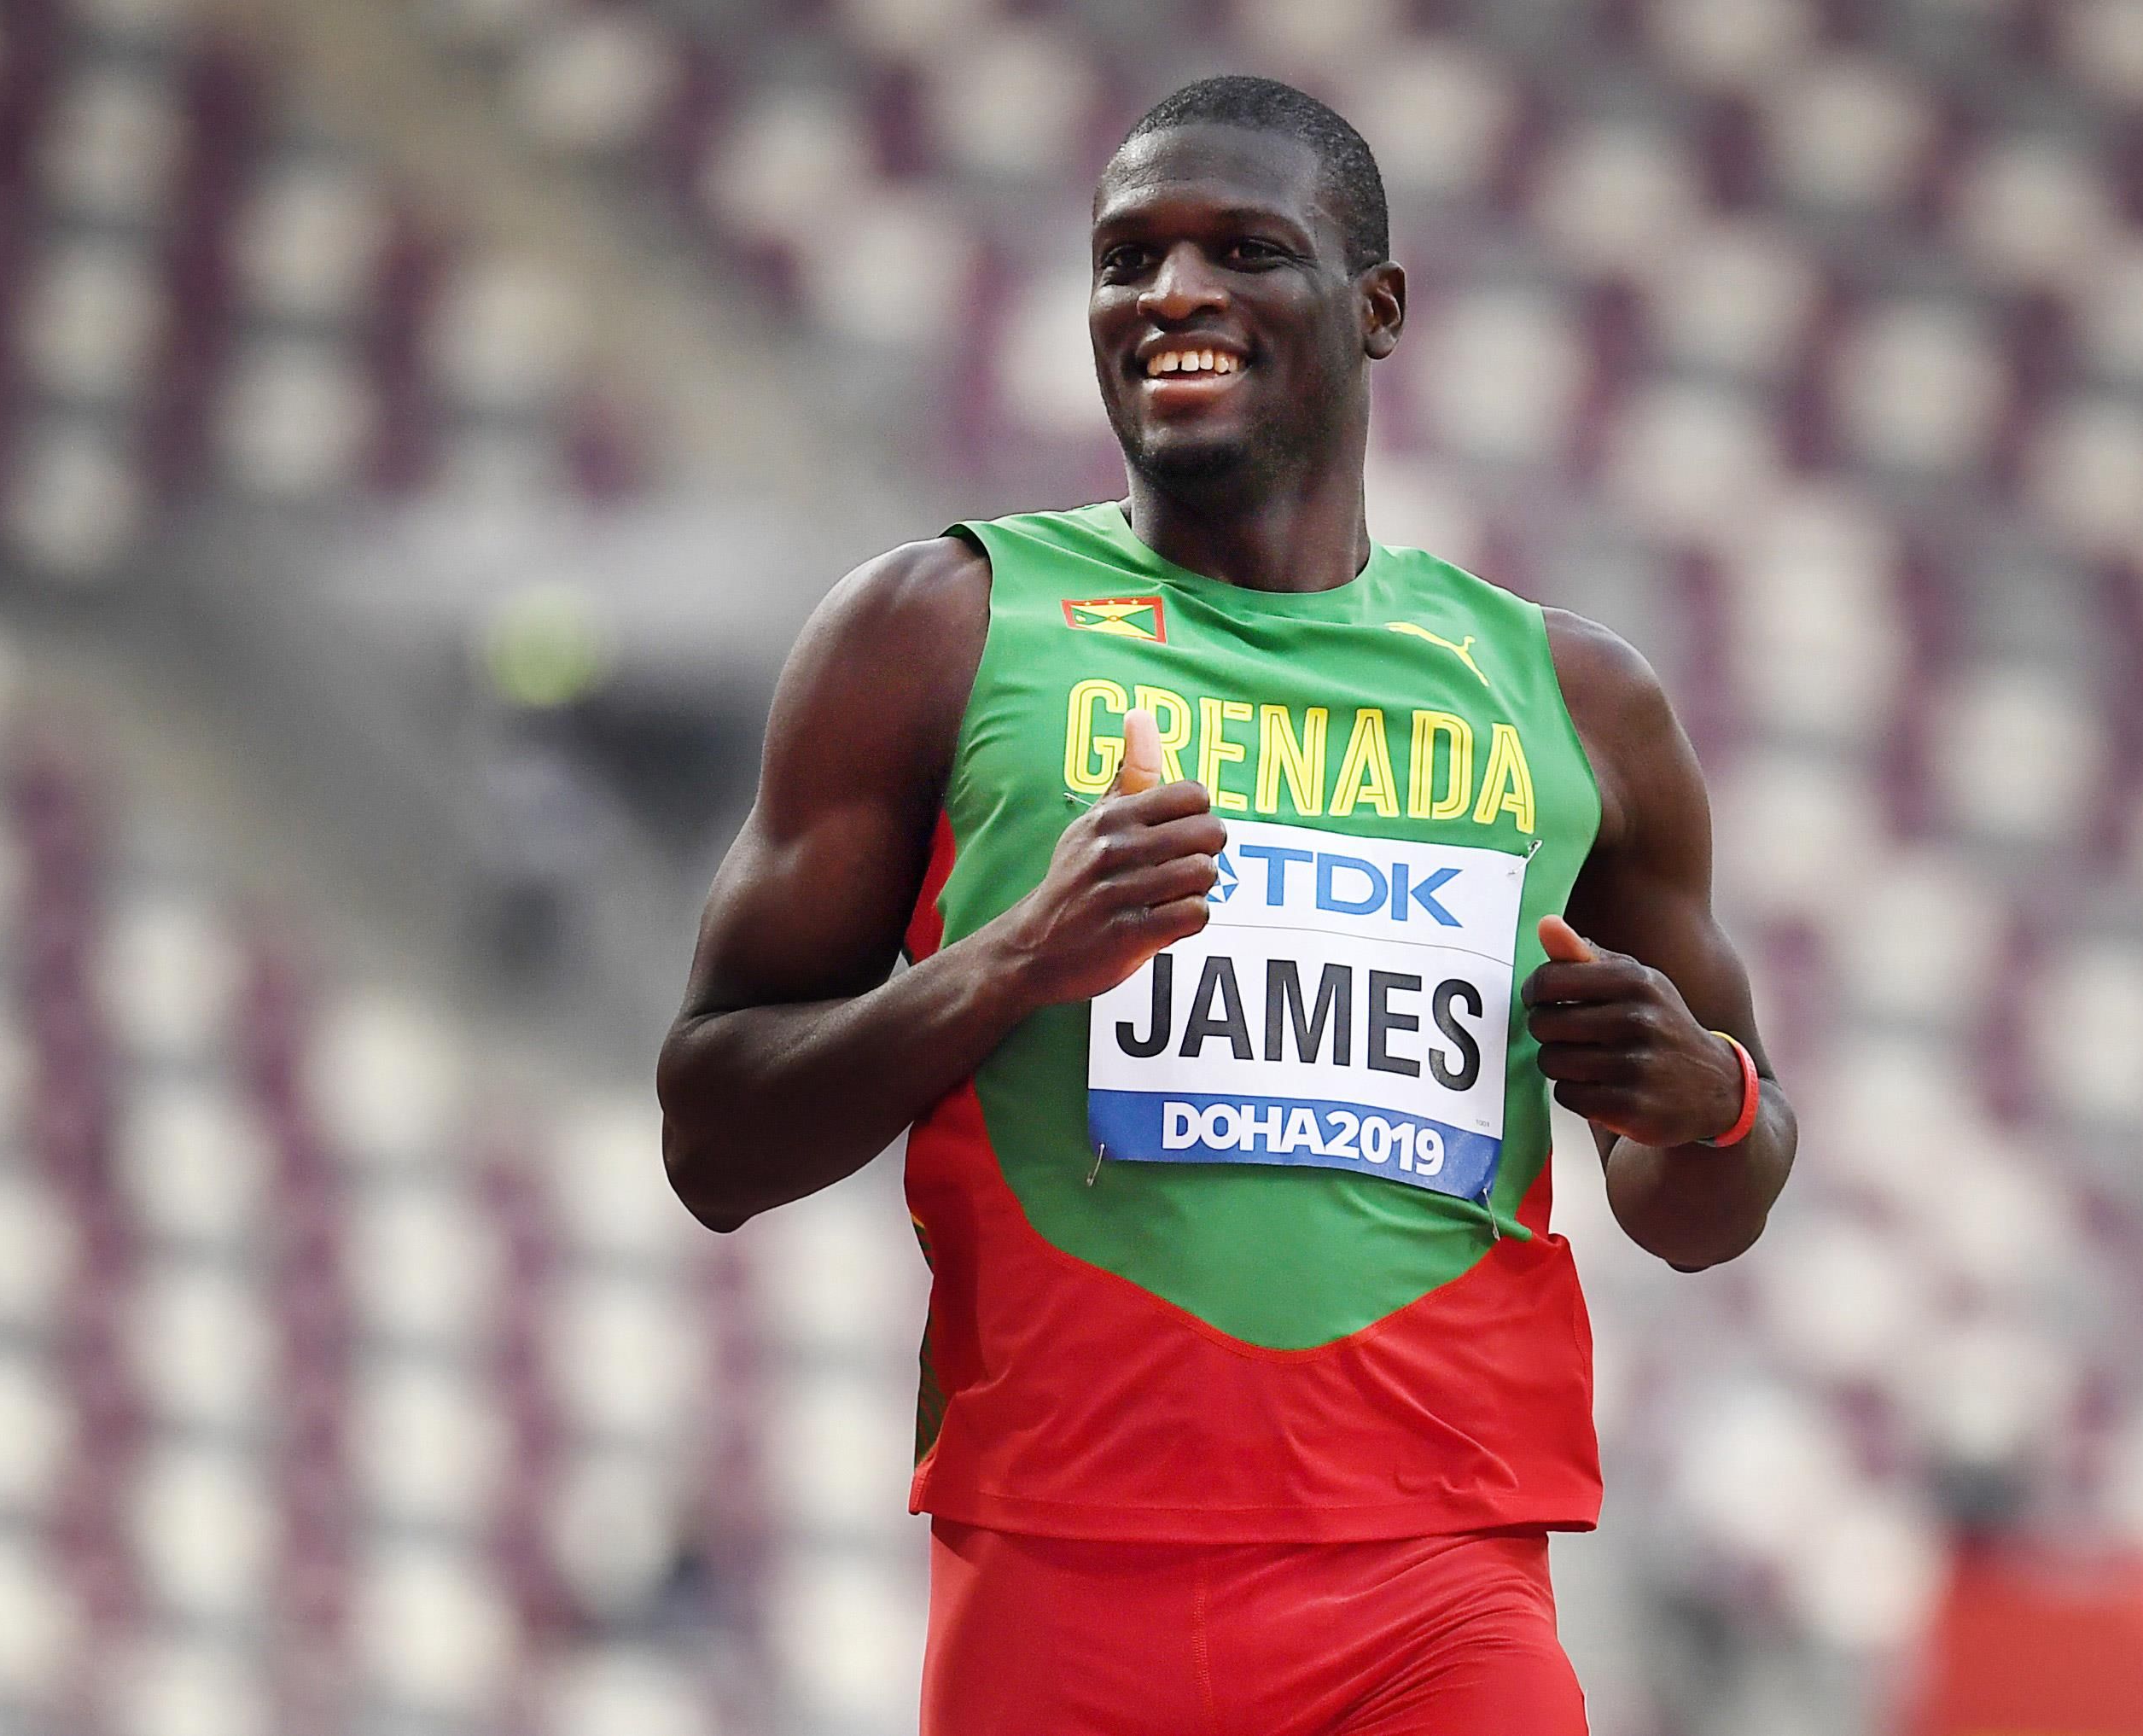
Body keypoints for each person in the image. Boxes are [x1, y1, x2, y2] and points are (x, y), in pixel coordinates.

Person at [659, 74, 1797, 1736]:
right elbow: (710, 1145)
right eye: (1125, 263)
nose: (1170, 295)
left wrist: (1704, 1103)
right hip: (1065, 1571)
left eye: (1242, 251)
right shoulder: (937, 628)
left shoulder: (1571, 702)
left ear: (1376, 307)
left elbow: (1715, 1196)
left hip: (1439, 1582)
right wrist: (1011, 962)